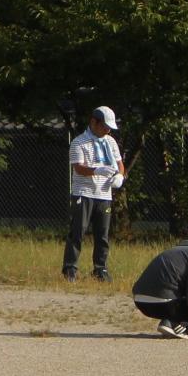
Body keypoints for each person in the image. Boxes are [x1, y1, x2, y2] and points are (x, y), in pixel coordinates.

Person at [63, 106, 126, 281]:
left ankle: (100, 268)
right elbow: (78, 167)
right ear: (93, 122)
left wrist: (120, 176)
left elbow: (120, 163)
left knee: (103, 234)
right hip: (84, 193)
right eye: (104, 126)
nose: (106, 130)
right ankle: (70, 268)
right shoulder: (78, 142)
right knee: (78, 232)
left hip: (104, 195)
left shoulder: (110, 142)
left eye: (109, 128)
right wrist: (96, 170)